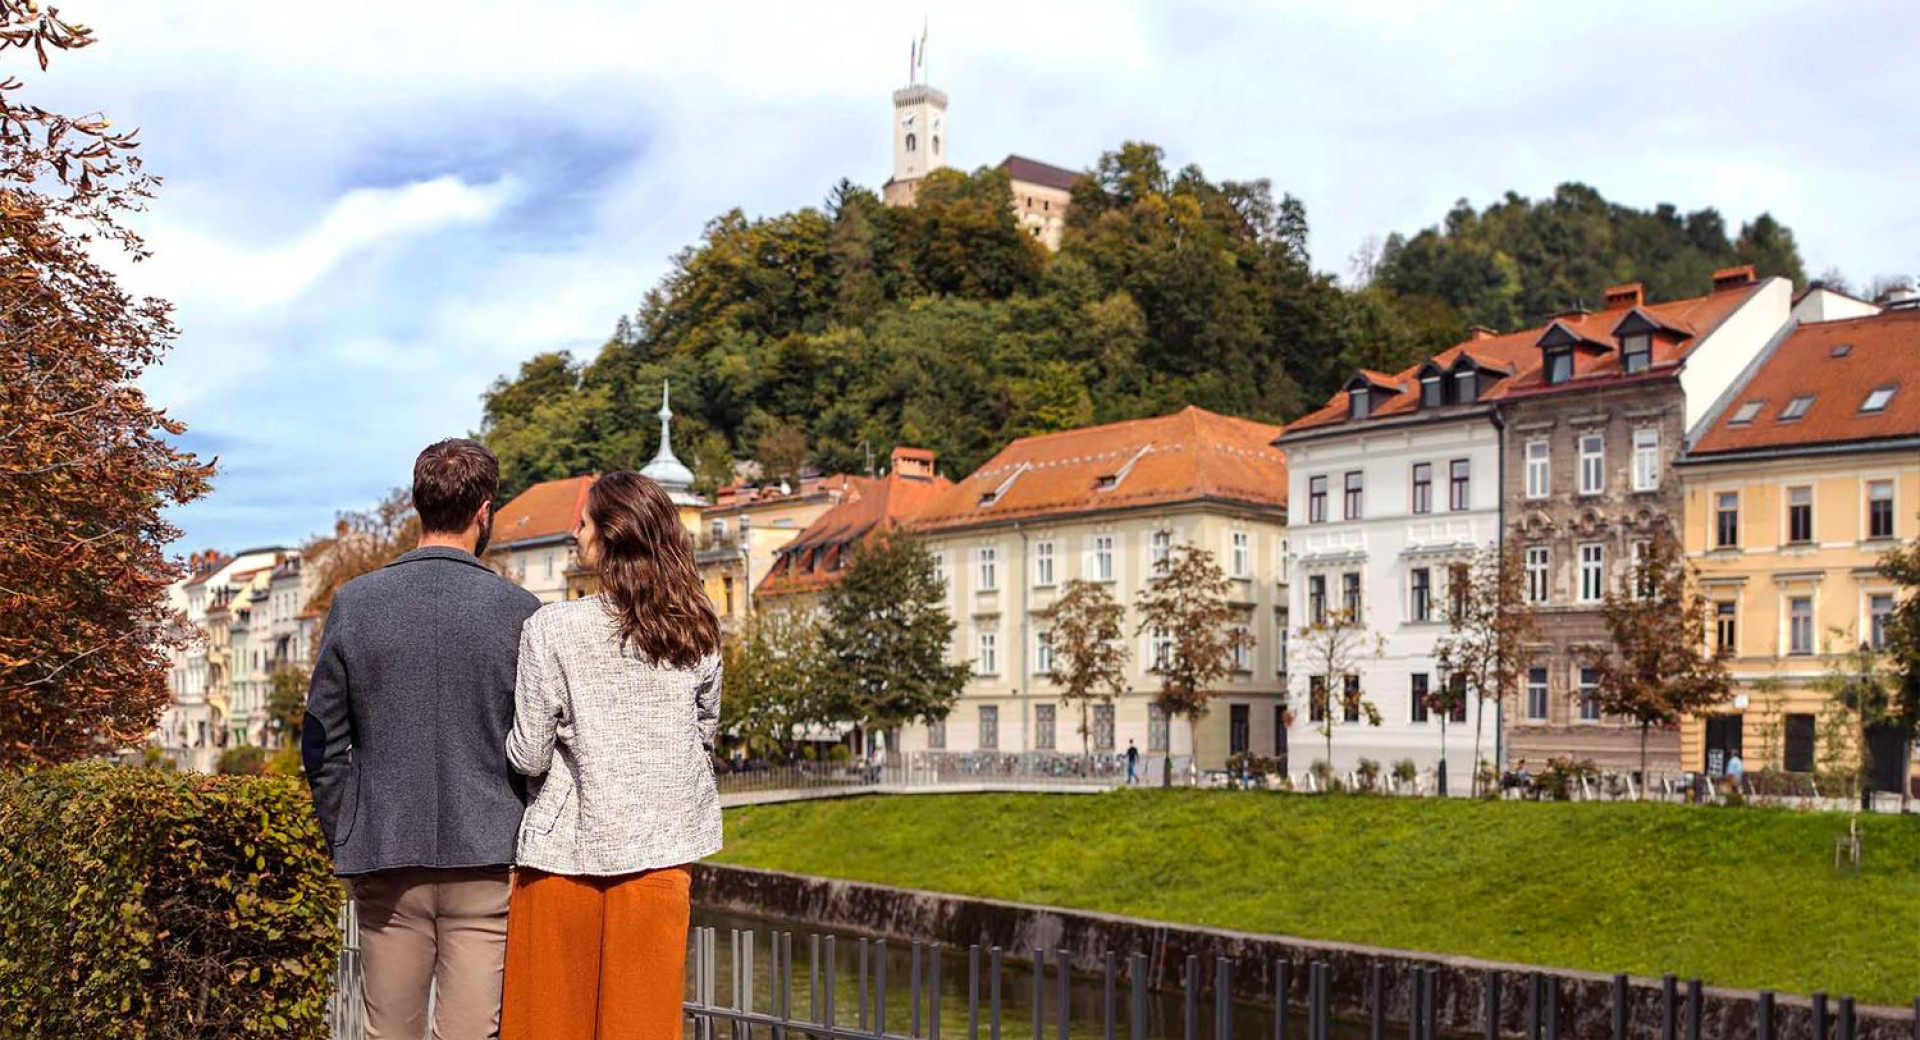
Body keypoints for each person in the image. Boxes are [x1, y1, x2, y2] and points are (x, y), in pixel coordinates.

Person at [303, 439, 540, 1039]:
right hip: (487, 852)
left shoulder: (355, 604)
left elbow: (321, 739)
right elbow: (538, 739)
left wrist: (347, 827)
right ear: (484, 510)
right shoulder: (520, 611)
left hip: (385, 851)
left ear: (417, 504)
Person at [502, 472, 724, 1040]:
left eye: (583, 523)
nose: (575, 534)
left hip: (565, 856)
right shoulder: (697, 629)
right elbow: (704, 735)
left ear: (609, 535)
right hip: (663, 850)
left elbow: (528, 755)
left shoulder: (553, 627)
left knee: (547, 1024)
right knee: (643, 1026)